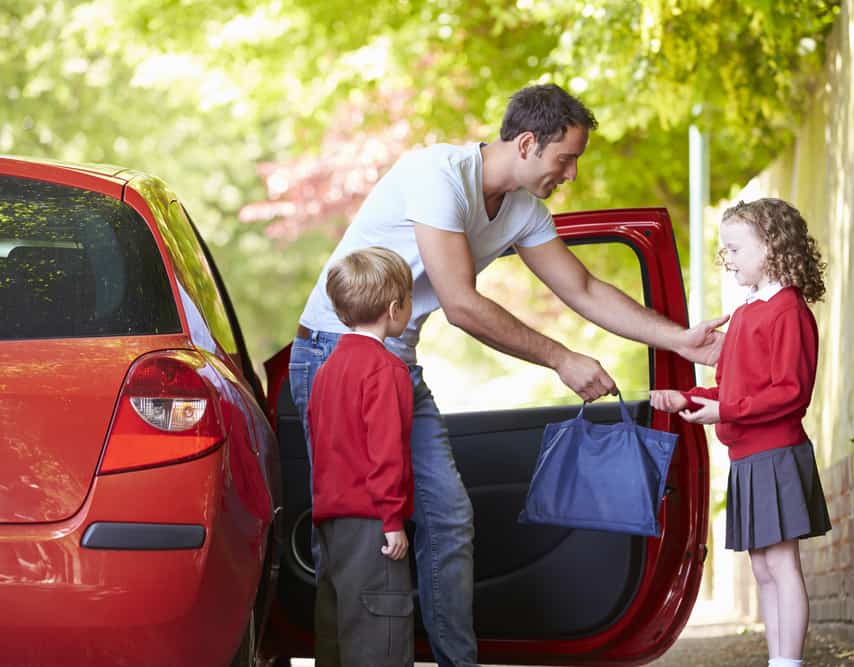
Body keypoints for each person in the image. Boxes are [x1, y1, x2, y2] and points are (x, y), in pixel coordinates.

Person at [290, 82, 727, 667]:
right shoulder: (437, 175)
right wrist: (561, 359)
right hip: (335, 356)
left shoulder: (523, 211)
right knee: (354, 529)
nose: (570, 174)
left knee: (448, 517)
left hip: (397, 363)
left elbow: (585, 288)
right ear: (526, 143)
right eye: (565, 158)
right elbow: (461, 304)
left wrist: (680, 338)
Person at [650, 198, 832, 667]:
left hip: (777, 453)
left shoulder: (787, 310)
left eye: (734, 248)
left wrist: (723, 408)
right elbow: (733, 387)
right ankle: (778, 658)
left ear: (771, 247)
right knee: (762, 566)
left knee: (782, 564)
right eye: (724, 249)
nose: (726, 258)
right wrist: (687, 398)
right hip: (748, 457)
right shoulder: (748, 312)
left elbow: (791, 393)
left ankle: (788, 662)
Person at [307, 246, 416, 667]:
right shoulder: (386, 370)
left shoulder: (326, 371)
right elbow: (385, 452)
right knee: (379, 636)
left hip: (331, 522)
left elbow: (324, 446)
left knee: (337, 632)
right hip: (372, 524)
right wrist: (392, 521)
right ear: (394, 308)